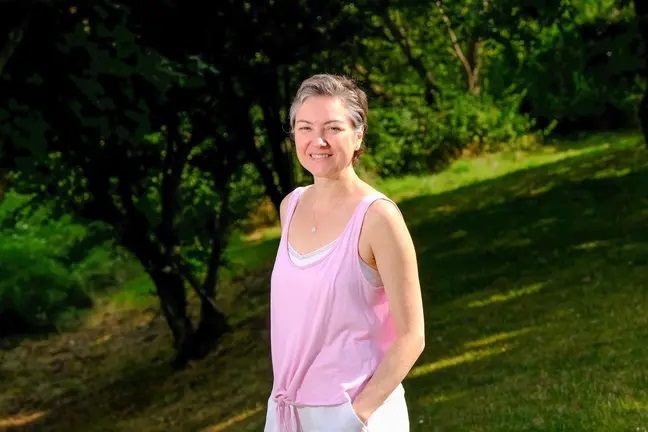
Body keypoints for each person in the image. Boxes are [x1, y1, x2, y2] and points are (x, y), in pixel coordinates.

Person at [264, 74, 425, 432]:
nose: (317, 140)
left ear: (358, 134)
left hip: (353, 416)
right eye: (304, 127)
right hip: (288, 413)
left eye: (332, 128)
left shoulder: (378, 218)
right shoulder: (291, 206)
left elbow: (412, 335)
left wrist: (355, 416)